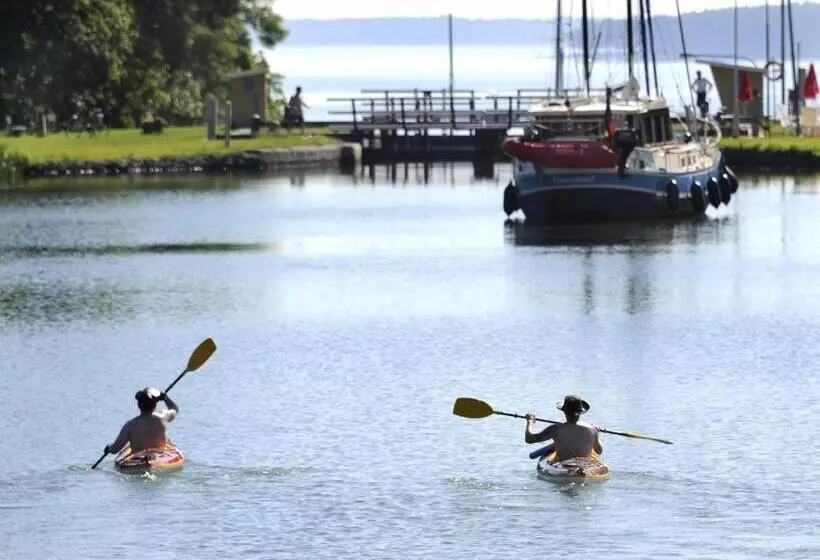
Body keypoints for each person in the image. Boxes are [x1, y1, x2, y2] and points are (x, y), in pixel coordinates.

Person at [525, 395, 602, 461]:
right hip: (585, 466)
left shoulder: (555, 429)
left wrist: (530, 421)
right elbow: (598, 451)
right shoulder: (592, 429)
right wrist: (596, 434)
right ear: (581, 412)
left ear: (564, 411)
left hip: (563, 466)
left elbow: (529, 439)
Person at [104, 387, 179, 456]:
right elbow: (175, 409)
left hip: (138, 459)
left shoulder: (130, 425)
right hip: (160, 457)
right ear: (155, 405)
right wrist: (166, 398)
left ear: (139, 405)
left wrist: (108, 448)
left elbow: (115, 449)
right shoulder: (163, 417)